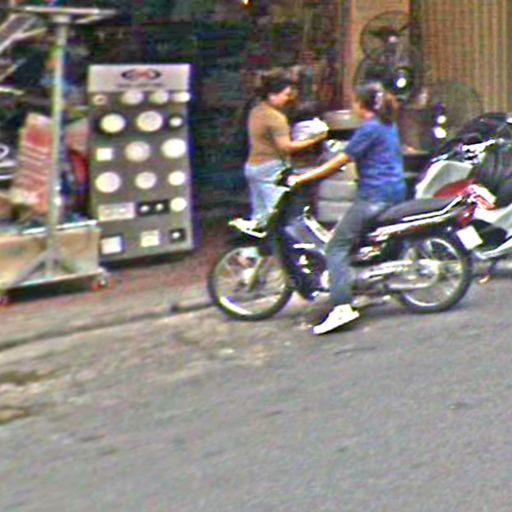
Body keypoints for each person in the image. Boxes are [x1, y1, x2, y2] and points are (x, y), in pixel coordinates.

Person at [288, 82, 406, 335]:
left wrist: (302, 178)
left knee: (336, 246)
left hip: (374, 197)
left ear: (361, 104)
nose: (352, 106)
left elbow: (339, 161)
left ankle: (342, 307)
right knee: (355, 241)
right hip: (393, 192)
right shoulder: (387, 123)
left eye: (354, 101)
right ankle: (363, 288)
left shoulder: (369, 129)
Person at [233, 71, 327, 235]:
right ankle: (278, 246)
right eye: (286, 95)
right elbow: (286, 147)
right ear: (272, 95)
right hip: (271, 168)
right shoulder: (275, 118)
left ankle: (259, 244)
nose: (289, 99)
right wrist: (316, 139)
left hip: (253, 166)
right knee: (279, 214)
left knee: (261, 216)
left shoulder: (256, 111)